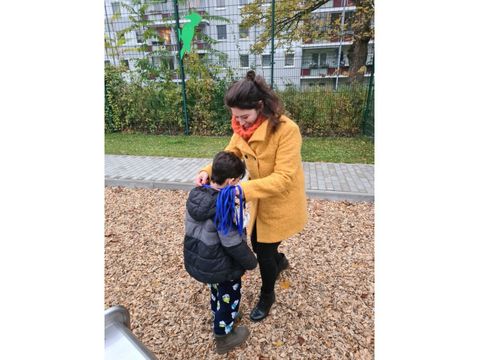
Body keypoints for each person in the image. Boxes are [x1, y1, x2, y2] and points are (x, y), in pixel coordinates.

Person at [195, 70, 308, 322]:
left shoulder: (287, 130)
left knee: (262, 249)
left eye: (244, 116)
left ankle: (267, 294)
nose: (240, 123)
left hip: (280, 201)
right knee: (259, 244)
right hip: (257, 198)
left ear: (260, 106)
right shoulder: (241, 128)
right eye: (235, 117)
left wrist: (241, 190)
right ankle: (280, 262)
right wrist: (207, 171)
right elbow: (230, 154)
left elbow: (284, 178)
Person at [184, 151, 258, 355]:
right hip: (223, 264)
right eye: (237, 181)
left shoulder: (197, 194)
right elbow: (232, 242)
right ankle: (223, 336)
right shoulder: (223, 205)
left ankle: (220, 314)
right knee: (229, 292)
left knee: (216, 289)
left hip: (206, 259)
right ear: (231, 180)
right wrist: (251, 261)